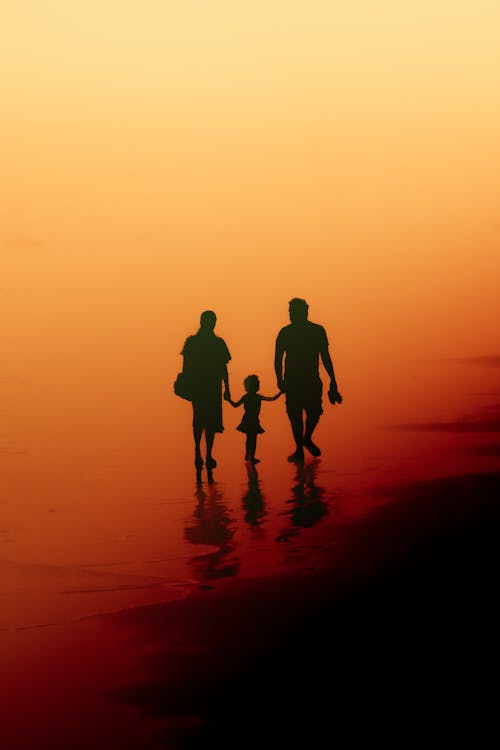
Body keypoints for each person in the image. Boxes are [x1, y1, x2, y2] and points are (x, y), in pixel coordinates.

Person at [274, 297, 342, 462]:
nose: (291, 315)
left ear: (304, 312)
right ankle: (299, 449)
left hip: (311, 379)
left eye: (293, 312)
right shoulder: (285, 332)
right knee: (295, 415)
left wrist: (333, 380)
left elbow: (325, 357)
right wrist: (280, 380)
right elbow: (277, 359)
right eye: (290, 312)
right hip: (293, 381)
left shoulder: (317, 331)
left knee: (314, 413)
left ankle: (306, 439)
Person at [181, 310, 231, 472]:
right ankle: (207, 454)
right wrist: (227, 388)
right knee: (210, 421)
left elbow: (185, 367)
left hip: (200, 386)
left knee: (200, 419)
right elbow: (223, 368)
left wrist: (186, 384)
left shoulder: (193, 342)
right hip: (211, 386)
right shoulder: (218, 343)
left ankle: (199, 452)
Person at [226, 374, 282, 464]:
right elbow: (272, 399)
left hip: (249, 420)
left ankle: (248, 455)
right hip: (252, 420)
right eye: (256, 385)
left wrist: (229, 400)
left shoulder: (247, 397)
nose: (257, 386)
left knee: (249, 438)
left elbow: (235, 405)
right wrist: (281, 393)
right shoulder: (256, 397)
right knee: (253, 439)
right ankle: (251, 456)